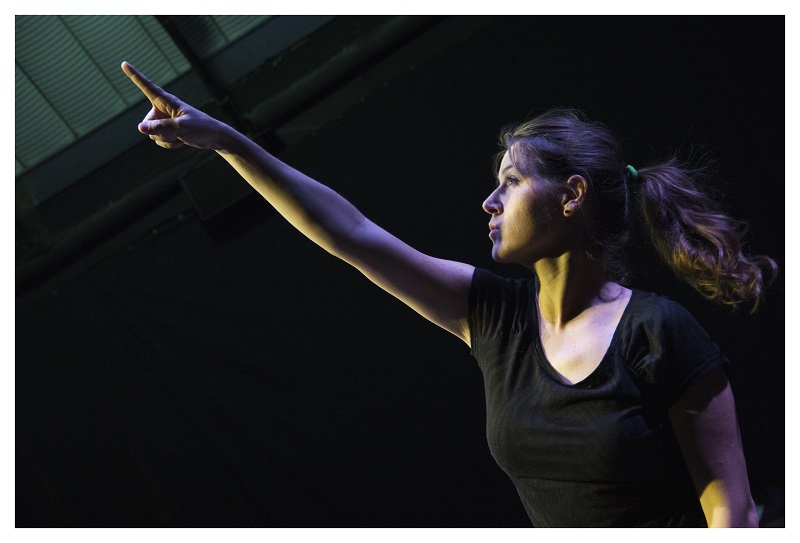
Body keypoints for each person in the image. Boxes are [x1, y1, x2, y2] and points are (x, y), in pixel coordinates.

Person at [121, 61, 776, 527]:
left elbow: (734, 513)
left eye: (510, 182)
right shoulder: (495, 318)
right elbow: (351, 233)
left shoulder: (658, 331)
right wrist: (224, 141)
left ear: (572, 195)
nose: (489, 201)